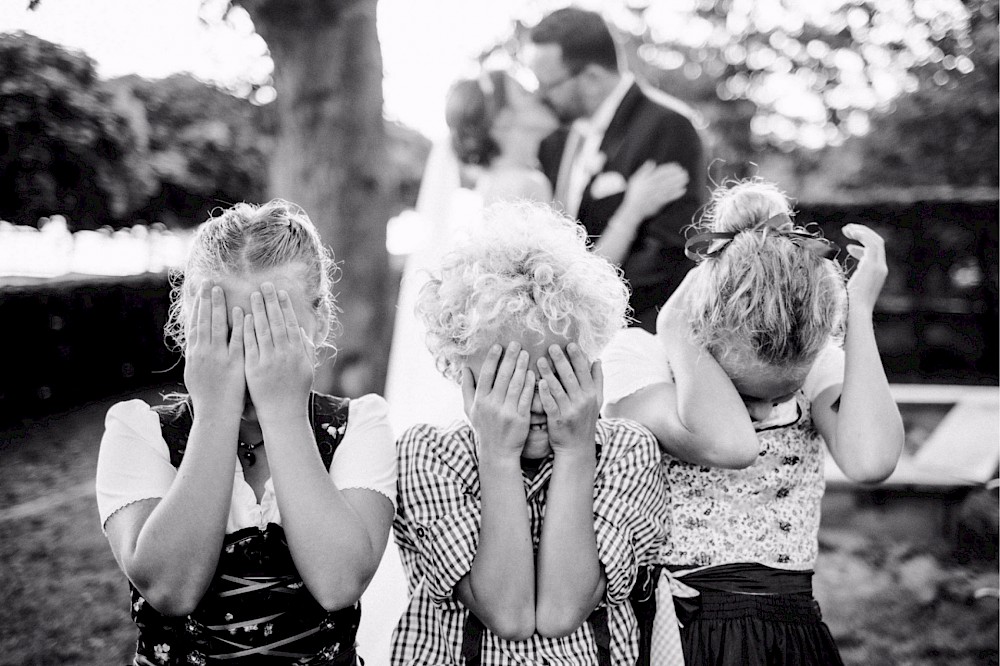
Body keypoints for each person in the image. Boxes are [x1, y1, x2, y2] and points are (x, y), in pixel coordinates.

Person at [600, 179, 905, 664]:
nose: (763, 412)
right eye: (746, 393)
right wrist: (677, 325)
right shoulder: (638, 360)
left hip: (787, 641)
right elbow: (731, 445)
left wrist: (859, 313)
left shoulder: (813, 355)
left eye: (783, 394)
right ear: (703, 336)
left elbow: (870, 461)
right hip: (672, 637)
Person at [96, 200, 396, 665]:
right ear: (192, 328)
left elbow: (339, 582)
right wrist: (215, 412)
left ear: (318, 320)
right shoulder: (138, 432)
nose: (253, 357)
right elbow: (170, 590)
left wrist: (283, 414)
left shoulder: (359, 427)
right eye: (229, 333)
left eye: (274, 332)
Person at [391, 200, 667, 665]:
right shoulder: (427, 455)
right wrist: (497, 455)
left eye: (556, 373)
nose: (536, 399)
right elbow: (509, 613)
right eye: (509, 377)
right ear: (465, 374)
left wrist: (577, 449)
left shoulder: (627, 451)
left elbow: (561, 610)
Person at [383, 69, 558, 434]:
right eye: (523, 93)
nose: (538, 95)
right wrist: (632, 210)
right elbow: (557, 282)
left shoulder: (508, 180)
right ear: (505, 119)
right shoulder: (518, 185)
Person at [527, 6, 706, 332]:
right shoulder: (556, 140)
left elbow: (667, 252)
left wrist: (588, 315)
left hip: (631, 330)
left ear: (592, 78)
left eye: (548, 85)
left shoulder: (667, 127)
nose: (540, 96)